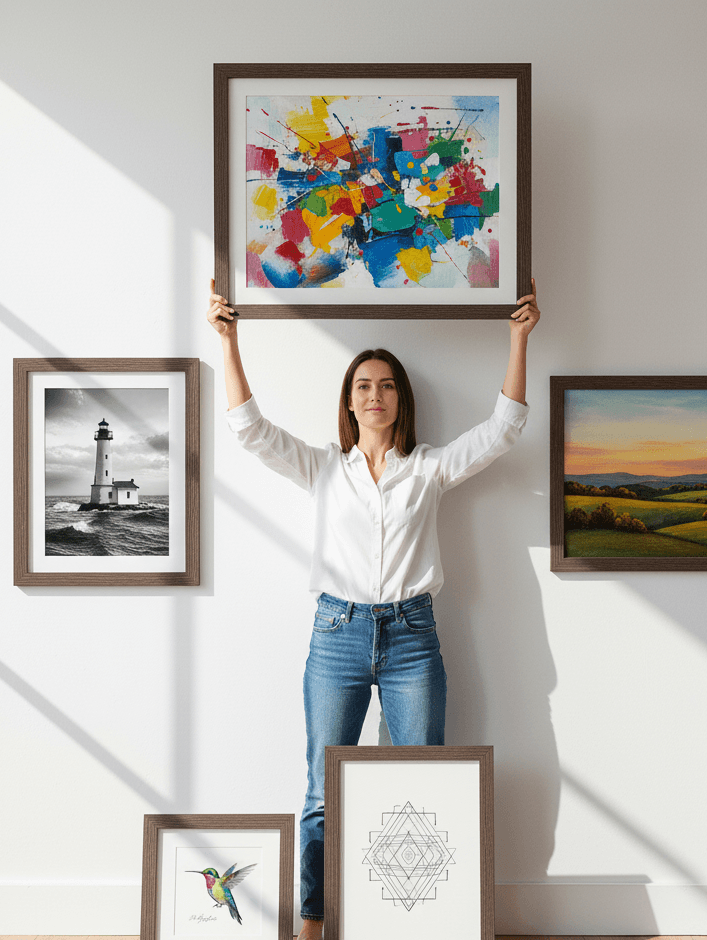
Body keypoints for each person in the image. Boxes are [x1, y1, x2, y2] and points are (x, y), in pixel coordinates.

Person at [207, 278, 540, 939]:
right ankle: (312, 924)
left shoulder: (430, 470)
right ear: (349, 402)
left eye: (386, 384)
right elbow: (249, 430)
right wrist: (229, 339)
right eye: (363, 385)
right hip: (337, 635)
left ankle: (422, 923)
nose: (375, 394)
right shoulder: (322, 469)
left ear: (401, 400)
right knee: (319, 793)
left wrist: (518, 336)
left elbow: (504, 429)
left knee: (424, 786)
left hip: (414, 636)